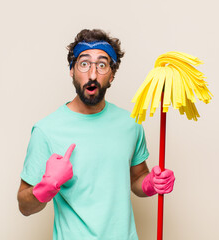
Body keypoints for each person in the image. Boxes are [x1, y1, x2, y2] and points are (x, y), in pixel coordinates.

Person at [17, 29, 175, 240]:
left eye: (102, 65)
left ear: (112, 74)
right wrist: (48, 185)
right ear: (72, 70)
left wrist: (150, 183)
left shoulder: (131, 124)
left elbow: (137, 177)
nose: (92, 75)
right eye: (84, 64)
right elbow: (24, 206)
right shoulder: (46, 130)